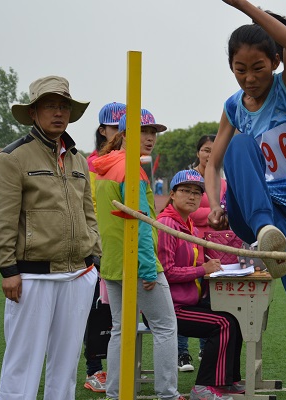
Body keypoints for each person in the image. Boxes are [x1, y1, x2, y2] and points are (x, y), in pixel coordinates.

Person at [205, 2, 286, 399]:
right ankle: (264, 234)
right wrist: (214, 204)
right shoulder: (232, 107)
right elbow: (213, 164)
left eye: (257, 68)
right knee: (241, 145)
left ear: (275, 63)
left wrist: (241, 5)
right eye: (239, 70)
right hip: (258, 214)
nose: (248, 78)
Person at [0, 75, 101, 400]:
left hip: (78, 274)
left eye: (63, 106)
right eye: (50, 105)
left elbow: (88, 212)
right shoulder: (14, 158)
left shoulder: (79, 159)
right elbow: (1, 220)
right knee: (23, 365)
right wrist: (8, 270)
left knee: (65, 369)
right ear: (34, 112)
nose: (58, 112)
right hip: (32, 275)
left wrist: (94, 260)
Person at [94, 109, 184, 400]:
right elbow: (141, 225)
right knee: (166, 327)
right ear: (123, 134)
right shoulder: (131, 170)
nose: (151, 138)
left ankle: (114, 393)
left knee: (121, 329)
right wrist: (147, 268)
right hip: (136, 262)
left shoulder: (103, 166)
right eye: (144, 131)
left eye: (153, 132)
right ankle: (167, 394)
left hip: (112, 263)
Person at [158, 169, 244, 400]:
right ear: (173, 194)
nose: (192, 196)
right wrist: (201, 270)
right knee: (223, 323)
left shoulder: (190, 227)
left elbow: (199, 265)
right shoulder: (166, 224)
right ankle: (203, 387)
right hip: (170, 308)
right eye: (185, 190)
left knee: (235, 317)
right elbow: (165, 272)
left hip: (188, 302)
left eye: (197, 192)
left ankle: (228, 381)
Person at [83, 101, 126, 393]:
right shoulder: (91, 163)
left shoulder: (130, 161)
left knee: (117, 314)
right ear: (103, 129)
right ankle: (94, 370)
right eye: (115, 128)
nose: (120, 134)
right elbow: (89, 207)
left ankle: (114, 369)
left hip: (121, 245)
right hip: (96, 247)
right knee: (97, 309)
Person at [177, 135, 227, 372]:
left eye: (214, 150)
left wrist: (218, 214)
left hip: (215, 247)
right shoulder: (190, 179)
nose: (210, 154)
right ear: (198, 153)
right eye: (206, 150)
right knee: (185, 296)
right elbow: (188, 211)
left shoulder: (223, 181)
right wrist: (213, 212)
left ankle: (205, 347)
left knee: (208, 299)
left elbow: (229, 211)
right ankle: (182, 353)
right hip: (190, 243)